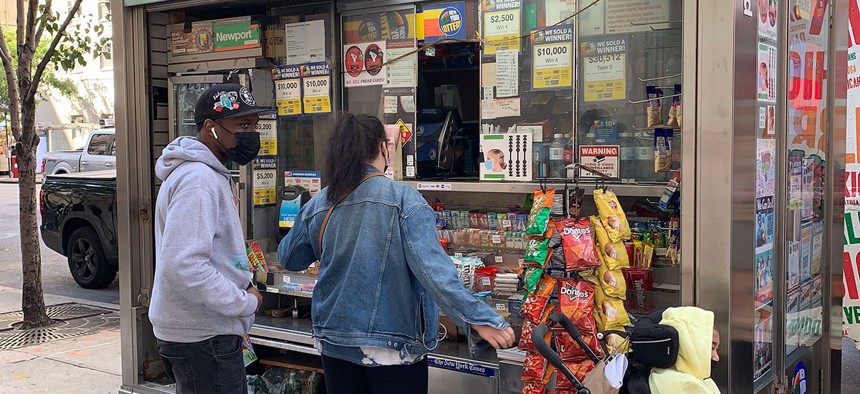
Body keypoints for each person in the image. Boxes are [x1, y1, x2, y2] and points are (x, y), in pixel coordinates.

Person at [277, 113, 515, 394]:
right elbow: (435, 273)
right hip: (393, 346)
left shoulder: (324, 199)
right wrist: (478, 318)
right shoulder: (403, 199)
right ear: (383, 148)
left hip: (335, 341)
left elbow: (289, 257)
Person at [149, 83, 271, 394]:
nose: (251, 134)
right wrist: (242, 302)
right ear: (210, 128)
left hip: (200, 333)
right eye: (242, 125)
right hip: (203, 337)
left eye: (255, 125)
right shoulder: (198, 180)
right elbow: (182, 265)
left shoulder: (205, 175)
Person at [649, 307, 721, 393]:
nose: (716, 357)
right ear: (688, 344)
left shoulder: (661, 373)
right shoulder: (687, 386)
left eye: (716, 349)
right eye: (711, 348)